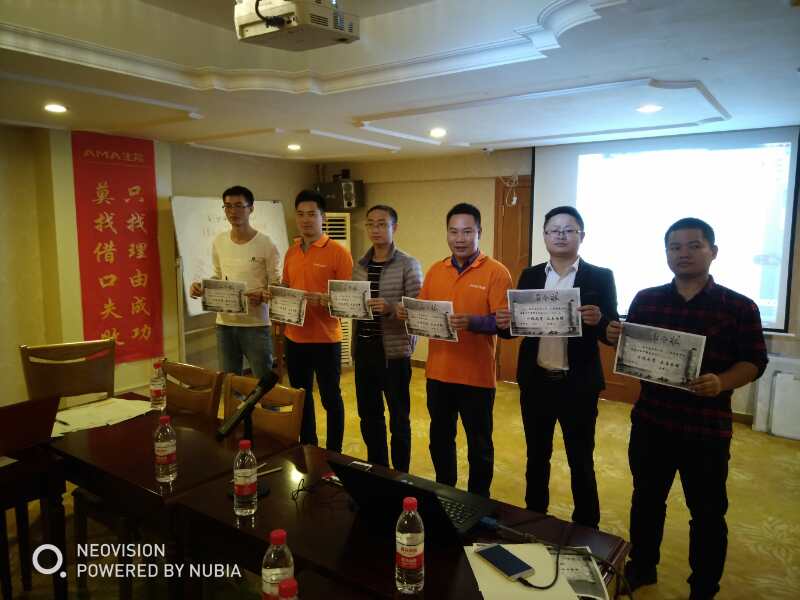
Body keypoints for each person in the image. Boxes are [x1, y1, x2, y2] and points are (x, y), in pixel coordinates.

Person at [606, 218, 767, 600]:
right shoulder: (646, 299)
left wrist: (722, 382)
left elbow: (754, 361)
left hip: (706, 428)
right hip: (652, 420)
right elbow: (633, 351)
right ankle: (642, 566)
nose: (684, 253)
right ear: (666, 253)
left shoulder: (739, 306)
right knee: (646, 500)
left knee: (708, 512)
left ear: (713, 251)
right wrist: (615, 337)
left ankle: (704, 586)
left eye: (694, 245)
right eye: (675, 247)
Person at [496, 205, 618, 529]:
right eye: (554, 230)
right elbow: (515, 328)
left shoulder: (600, 276)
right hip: (536, 382)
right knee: (537, 457)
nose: (561, 235)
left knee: (581, 459)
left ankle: (587, 527)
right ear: (545, 236)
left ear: (581, 235)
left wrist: (600, 320)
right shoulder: (531, 275)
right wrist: (504, 323)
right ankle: (534, 519)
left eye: (569, 230)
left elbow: (610, 333)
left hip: (578, 385)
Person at [398, 203, 512, 497]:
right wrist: (408, 313)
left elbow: (505, 324)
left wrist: (473, 322)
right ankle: (445, 494)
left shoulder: (497, 272)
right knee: (440, 439)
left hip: (477, 377)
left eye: (467, 231)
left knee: (479, 445)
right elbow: (424, 312)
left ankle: (478, 501)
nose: (460, 239)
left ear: (479, 232)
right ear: (447, 233)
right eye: (454, 232)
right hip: (438, 374)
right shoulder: (436, 270)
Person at [280, 189, 353, 452]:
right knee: (301, 397)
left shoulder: (338, 253)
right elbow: (286, 285)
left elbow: (350, 300)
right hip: (294, 337)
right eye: (300, 214)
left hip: (326, 339)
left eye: (312, 214)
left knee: (330, 398)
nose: (306, 220)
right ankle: (308, 447)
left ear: (323, 217)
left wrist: (325, 300)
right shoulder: (291, 252)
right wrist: (276, 293)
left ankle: (334, 453)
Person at [352, 205, 423, 472]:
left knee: (399, 419)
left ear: (395, 227)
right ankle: (378, 469)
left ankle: (400, 474)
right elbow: (354, 304)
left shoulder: (408, 264)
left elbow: (418, 309)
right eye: (370, 224)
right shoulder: (360, 265)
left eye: (382, 224)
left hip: (394, 353)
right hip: (364, 349)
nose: (375, 229)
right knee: (369, 416)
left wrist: (391, 308)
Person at [190, 185, 280, 379]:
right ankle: (235, 403)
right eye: (228, 206)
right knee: (229, 381)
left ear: (251, 208)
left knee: (264, 381)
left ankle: (267, 402)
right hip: (225, 324)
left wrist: (263, 295)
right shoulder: (219, 241)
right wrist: (203, 287)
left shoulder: (266, 243)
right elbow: (218, 276)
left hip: (256, 324)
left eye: (239, 205)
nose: (233, 211)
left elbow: (276, 286)